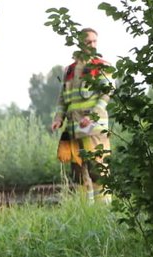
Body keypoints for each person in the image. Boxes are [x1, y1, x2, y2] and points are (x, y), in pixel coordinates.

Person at [50, 28, 112, 201]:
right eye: (88, 42)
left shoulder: (102, 66)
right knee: (79, 175)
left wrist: (91, 116)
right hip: (74, 129)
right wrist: (58, 118)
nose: (92, 45)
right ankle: (87, 212)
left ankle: (105, 214)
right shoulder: (69, 70)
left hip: (94, 129)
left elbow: (106, 94)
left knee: (98, 171)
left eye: (95, 42)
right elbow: (63, 98)